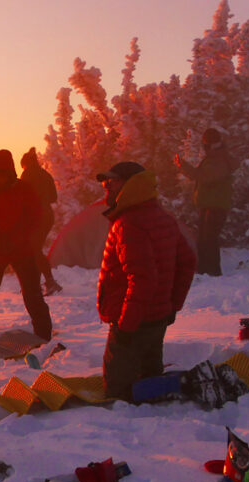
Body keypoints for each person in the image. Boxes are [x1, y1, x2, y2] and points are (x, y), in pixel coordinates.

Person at [96, 162, 196, 402]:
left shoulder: (128, 223)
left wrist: (126, 327)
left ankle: (163, 394)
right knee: (148, 376)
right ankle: (159, 396)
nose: (106, 187)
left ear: (130, 185)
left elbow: (143, 279)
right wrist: (172, 305)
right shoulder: (163, 217)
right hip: (156, 318)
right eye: (104, 183)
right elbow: (188, 262)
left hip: (132, 321)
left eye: (111, 182)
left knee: (118, 392)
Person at [0, 149, 53, 342]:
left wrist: (16, 239)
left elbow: (34, 216)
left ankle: (44, 336)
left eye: (3, 173)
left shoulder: (24, 189)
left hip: (22, 250)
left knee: (33, 294)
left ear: (11, 172)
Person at [174, 128, 237, 276]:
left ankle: (213, 272)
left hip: (215, 205)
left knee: (209, 240)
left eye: (206, 144)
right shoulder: (216, 158)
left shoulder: (220, 160)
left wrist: (183, 166)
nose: (204, 147)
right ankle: (204, 271)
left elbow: (203, 176)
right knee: (204, 240)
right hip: (209, 204)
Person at [20, 147, 63, 296]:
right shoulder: (45, 174)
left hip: (35, 218)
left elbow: (21, 198)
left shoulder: (27, 175)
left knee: (34, 250)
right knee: (35, 249)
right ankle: (38, 283)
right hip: (47, 216)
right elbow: (53, 197)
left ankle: (48, 283)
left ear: (25, 164)